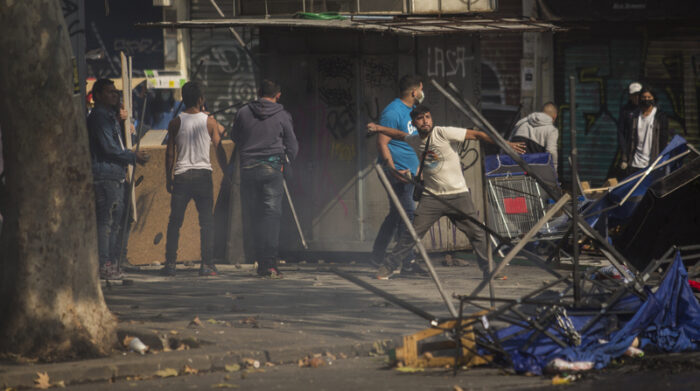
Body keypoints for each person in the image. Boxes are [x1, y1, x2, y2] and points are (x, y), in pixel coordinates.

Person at [367, 106, 525, 280]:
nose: (425, 121)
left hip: (458, 195)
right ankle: (387, 268)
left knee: (477, 234)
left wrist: (506, 144)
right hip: (432, 198)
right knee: (411, 234)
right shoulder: (414, 140)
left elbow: (477, 135)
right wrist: (379, 128)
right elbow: (398, 134)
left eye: (427, 116)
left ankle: (490, 270)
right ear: (414, 123)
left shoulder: (442, 132)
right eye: (420, 118)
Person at [231, 80, 298, 278]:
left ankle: (260, 262)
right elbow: (292, 145)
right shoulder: (283, 115)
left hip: (248, 168)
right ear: (278, 95)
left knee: (255, 216)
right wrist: (287, 160)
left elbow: (236, 136)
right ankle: (270, 264)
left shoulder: (243, 112)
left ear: (258, 92)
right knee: (271, 216)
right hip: (272, 169)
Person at [161, 81, 228, 276]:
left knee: (175, 222)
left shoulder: (175, 123)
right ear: (201, 99)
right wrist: (226, 172)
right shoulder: (209, 122)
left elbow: (169, 154)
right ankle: (207, 264)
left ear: (183, 99)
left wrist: (168, 177)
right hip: (203, 176)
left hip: (181, 176)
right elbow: (219, 149)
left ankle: (170, 264)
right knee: (207, 222)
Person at [87, 79, 149, 280]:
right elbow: (109, 148)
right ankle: (105, 264)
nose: (114, 95)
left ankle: (112, 263)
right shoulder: (99, 117)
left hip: (115, 175)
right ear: (97, 96)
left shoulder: (110, 117)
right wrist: (133, 157)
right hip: (105, 175)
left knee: (115, 222)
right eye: (109, 92)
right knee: (106, 222)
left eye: (115, 92)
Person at [371, 74, 424, 272]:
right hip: (397, 173)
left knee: (396, 215)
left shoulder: (411, 111)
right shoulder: (393, 112)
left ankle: (377, 255)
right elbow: (382, 143)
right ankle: (407, 261)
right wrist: (393, 170)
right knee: (407, 214)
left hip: (410, 172)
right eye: (421, 89)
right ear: (414, 91)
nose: (421, 93)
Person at [621, 87, 670, 176]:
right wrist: (626, 158)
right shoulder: (635, 116)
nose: (646, 100)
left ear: (653, 98)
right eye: (644, 97)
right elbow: (629, 138)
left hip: (652, 163)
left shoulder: (660, 117)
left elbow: (663, 139)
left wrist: (661, 160)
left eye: (649, 97)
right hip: (635, 163)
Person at [510, 102, 559, 171]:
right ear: (555, 116)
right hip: (534, 171)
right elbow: (551, 151)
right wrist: (554, 170)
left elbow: (509, 142)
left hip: (514, 167)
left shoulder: (522, 122)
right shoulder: (551, 130)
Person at [617, 82, 642, 175]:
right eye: (634, 95)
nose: (637, 97)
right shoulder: (625, 110)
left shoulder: (645, 110)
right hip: (630, 150)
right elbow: (621, 132)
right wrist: (624, 152)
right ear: (630, 96)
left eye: (639, 95)